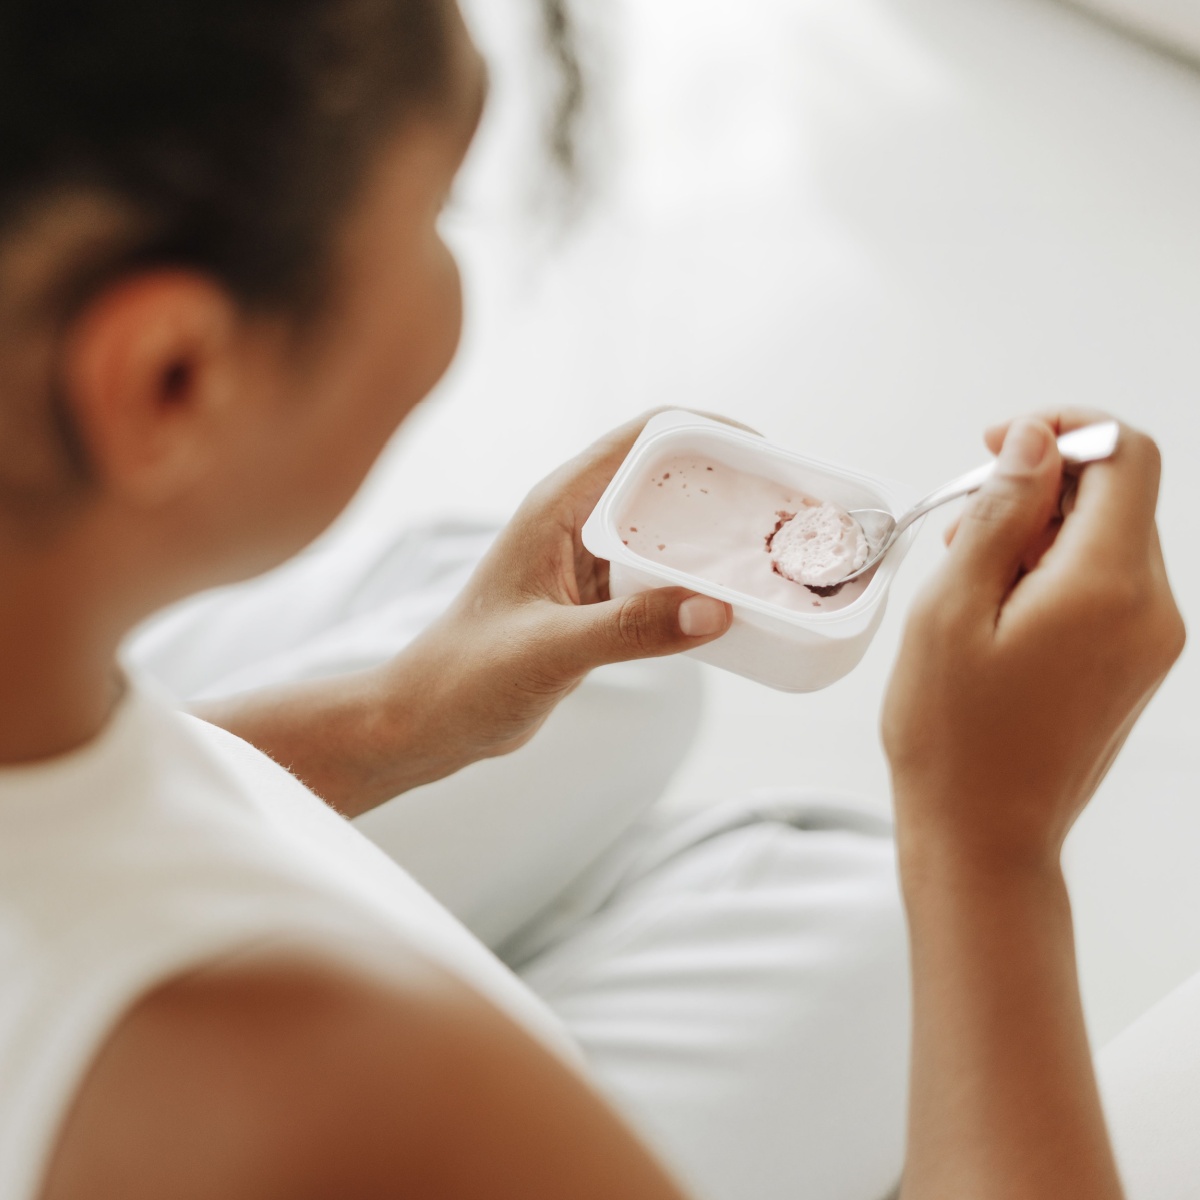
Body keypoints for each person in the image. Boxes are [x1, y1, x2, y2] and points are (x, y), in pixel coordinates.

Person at [0, 4, 1185, 1200]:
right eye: (436, 219)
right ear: (172, 376)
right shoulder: (342, 1096)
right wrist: (988, 853)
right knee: (883, 921)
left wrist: (396, 717)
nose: (455, 268)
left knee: (617, 686)